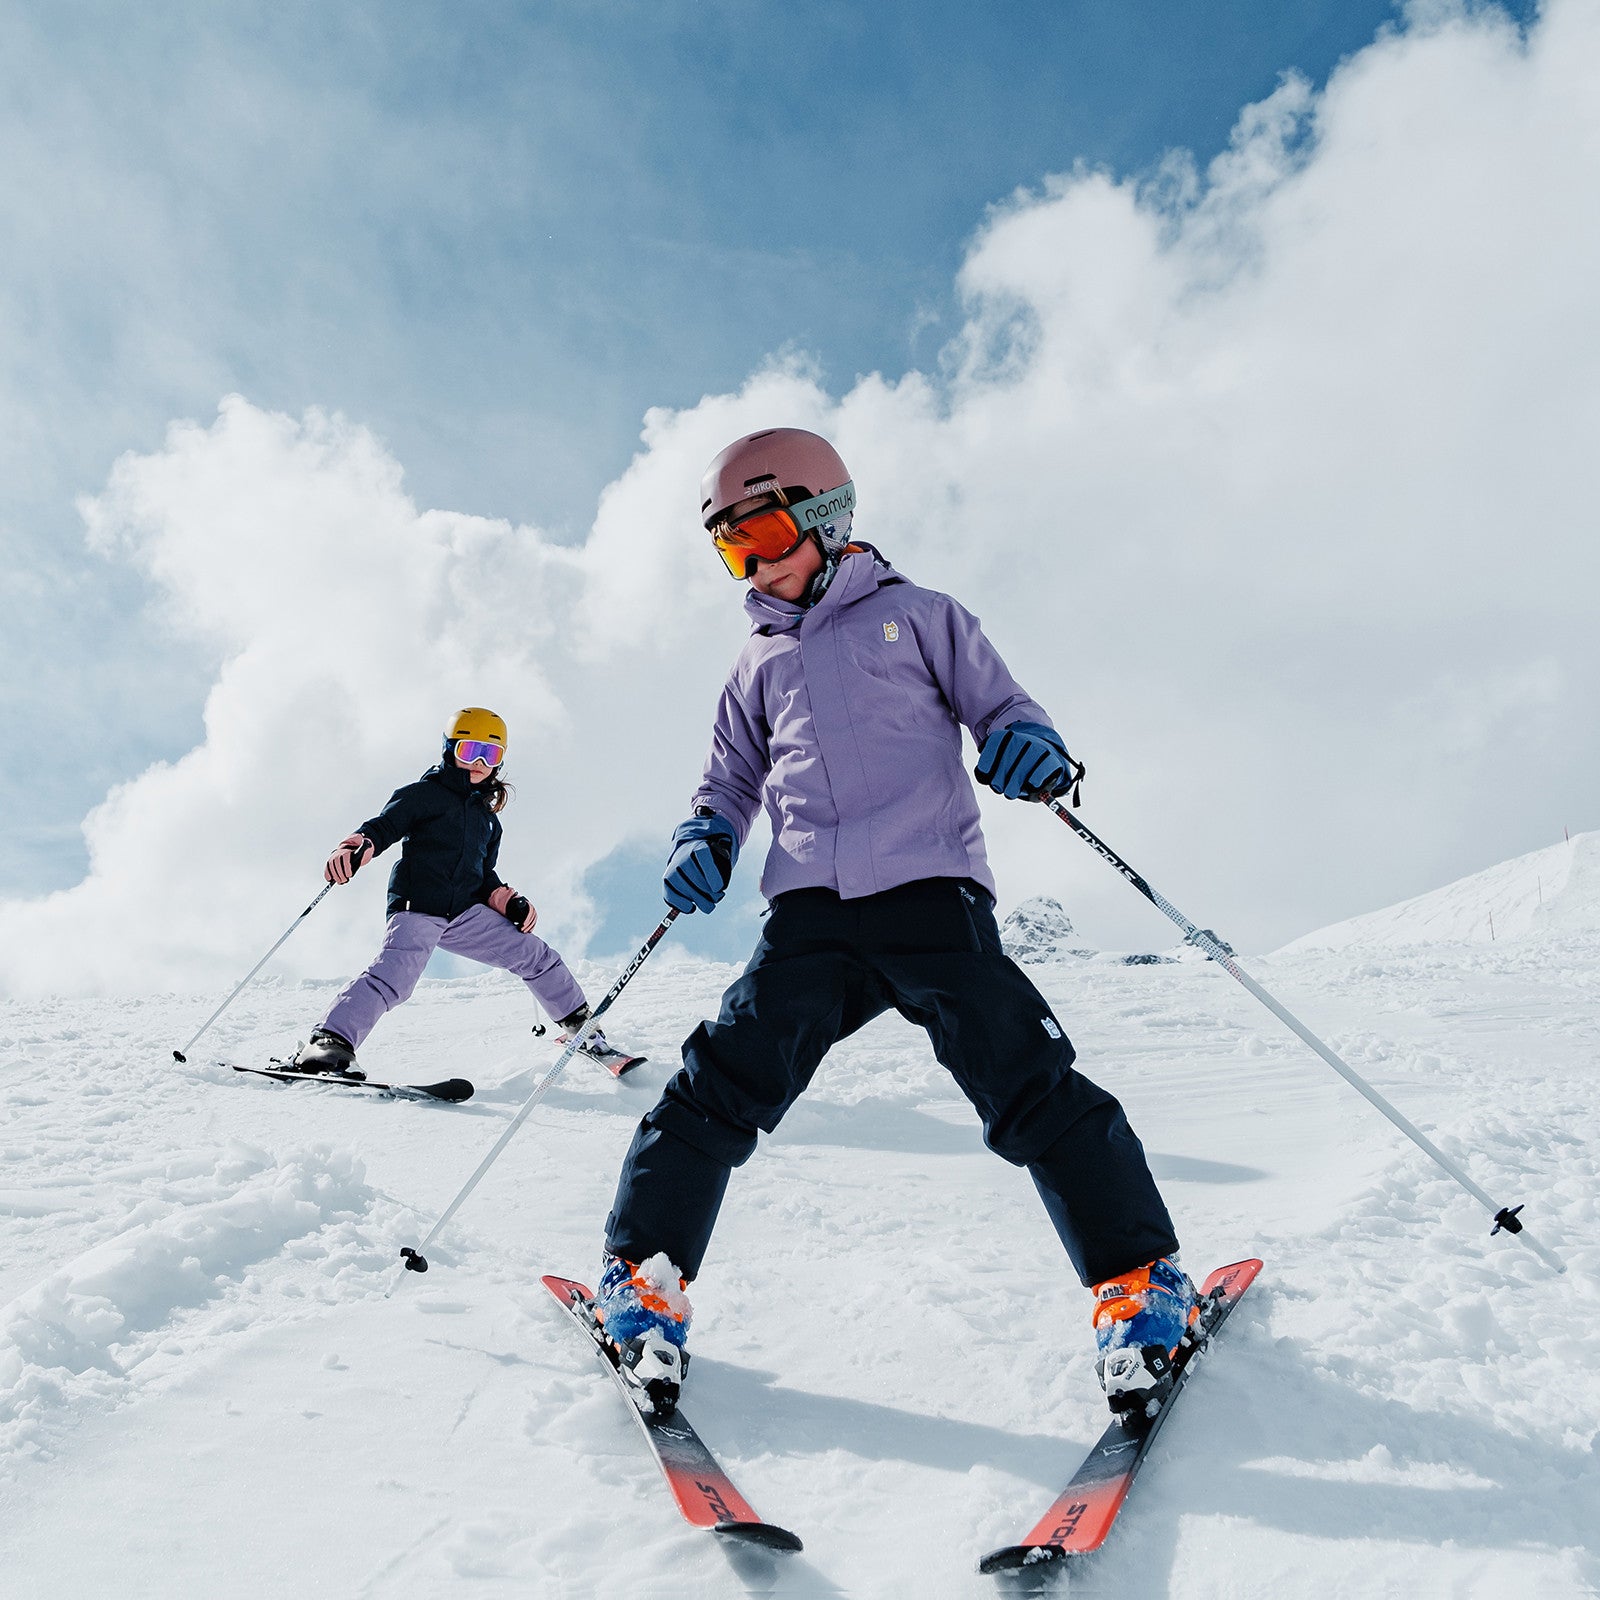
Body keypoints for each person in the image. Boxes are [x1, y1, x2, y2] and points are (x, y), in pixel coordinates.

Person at [591, 428, 1197, 1422]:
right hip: (810, 914)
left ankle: (1138, 1284)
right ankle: (643, 1279)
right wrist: (702, 838)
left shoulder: (920, 618)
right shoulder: (755, 665)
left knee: (1025, 1078)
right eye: (728, 548)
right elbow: (727, 782)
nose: (752, 560)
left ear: (827, 517)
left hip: (928, 891)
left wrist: (1026, 746)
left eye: (767, 530)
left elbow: (1003, 706)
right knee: (716, 1085)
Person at [288, 708, 606, 1077]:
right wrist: (354, 847)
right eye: (470, 751)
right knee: (396, 975)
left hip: (465, 913)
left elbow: (483, 875)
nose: (480, 763)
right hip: (419, 904)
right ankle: (329, 1043)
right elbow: (384, 826)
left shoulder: (489, 820)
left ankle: (579, 1026)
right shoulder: (424, 794)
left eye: (491, 755)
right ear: (450, 750)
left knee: (534, 954)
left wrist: (505, 899)